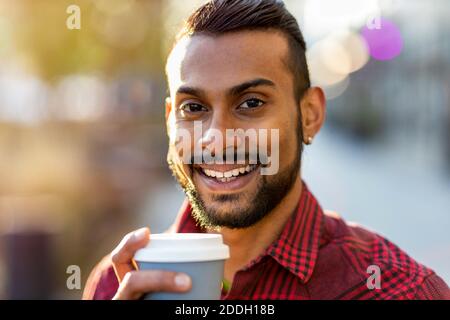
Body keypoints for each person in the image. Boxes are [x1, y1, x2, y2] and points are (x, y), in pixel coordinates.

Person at [83, 0, 450, 300]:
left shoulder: (400, 291)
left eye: (251, 103)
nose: (218, 138)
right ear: (169, 121)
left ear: (310, 115)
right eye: (193, 108)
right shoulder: (116, 284)